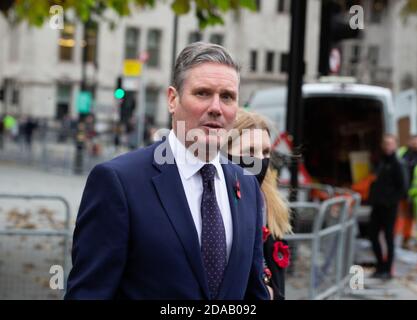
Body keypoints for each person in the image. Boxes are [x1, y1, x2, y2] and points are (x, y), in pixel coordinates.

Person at [65, 42, 269, 300]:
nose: (216, 107)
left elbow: (254, 294)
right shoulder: (119, 183)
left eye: (227, 96)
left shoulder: (247, 186)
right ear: (173, 99)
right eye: (203, 93)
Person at [224, 109, 292, 300]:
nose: (260, 159)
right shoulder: (217, 205)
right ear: (225, 153)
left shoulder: (270, 202)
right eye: (250, 151)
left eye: (265, 152)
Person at [368, 134, 408, 279]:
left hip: (389, 208)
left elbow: (403, 188)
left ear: (395, 145)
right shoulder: (381, 162)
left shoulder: (398, 163)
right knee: (372, 236)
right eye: (385, 143)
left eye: (390, 144)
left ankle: (387, 270)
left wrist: (390, 201)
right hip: (377, 206)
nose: (387, 146)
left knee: (389, 238)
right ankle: (380, 266)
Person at [397, 135, 417, 249]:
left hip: (415, 193)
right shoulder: (402, 153)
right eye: (413, 141)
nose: (414, 143)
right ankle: (405, 239)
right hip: (404, 192)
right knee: (405, 217)